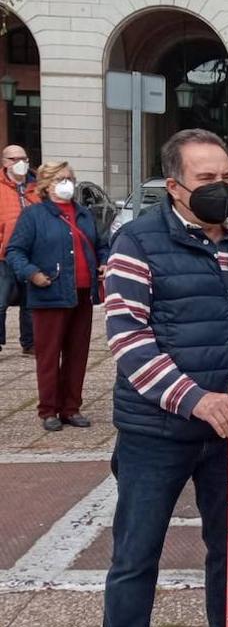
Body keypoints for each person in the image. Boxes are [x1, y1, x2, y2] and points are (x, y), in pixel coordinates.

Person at [100, 128, 228, 627]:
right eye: (208, 179)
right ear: (176, 186)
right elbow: (128, 338)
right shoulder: (137, 242)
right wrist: (193, 398)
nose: (223, 189)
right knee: (136, 556)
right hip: (157, 431)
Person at [5, 161, 108, 431]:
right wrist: (32, 274)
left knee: (77, 355)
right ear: (46, 184)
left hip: (83, 295)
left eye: (70, 178)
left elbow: (101, 244)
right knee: (49, 356)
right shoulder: (34, 216)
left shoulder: (83, 214)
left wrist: (104, 262)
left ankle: (71, 408)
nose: (67, 183)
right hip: (49, 293)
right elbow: (15, 251)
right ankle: (48, 410)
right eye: (61, 178)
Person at [0, 144, 39, 355]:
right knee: (0, 302)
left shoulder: (37, 187)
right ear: (5, 163)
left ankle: (30, 343)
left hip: (31, 255)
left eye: (23, 158)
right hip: (4, 256)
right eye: (14, 159)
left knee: (30, 302)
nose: (20, 163)